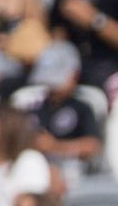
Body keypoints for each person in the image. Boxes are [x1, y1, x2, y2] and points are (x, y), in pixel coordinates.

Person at [25, 43, 104, 178]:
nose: (53, 87)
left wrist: (56, 147)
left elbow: (93, 146)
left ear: (75, 75)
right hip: (35, 171)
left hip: (71, 173)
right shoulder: (34, 107)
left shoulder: (82, 108)